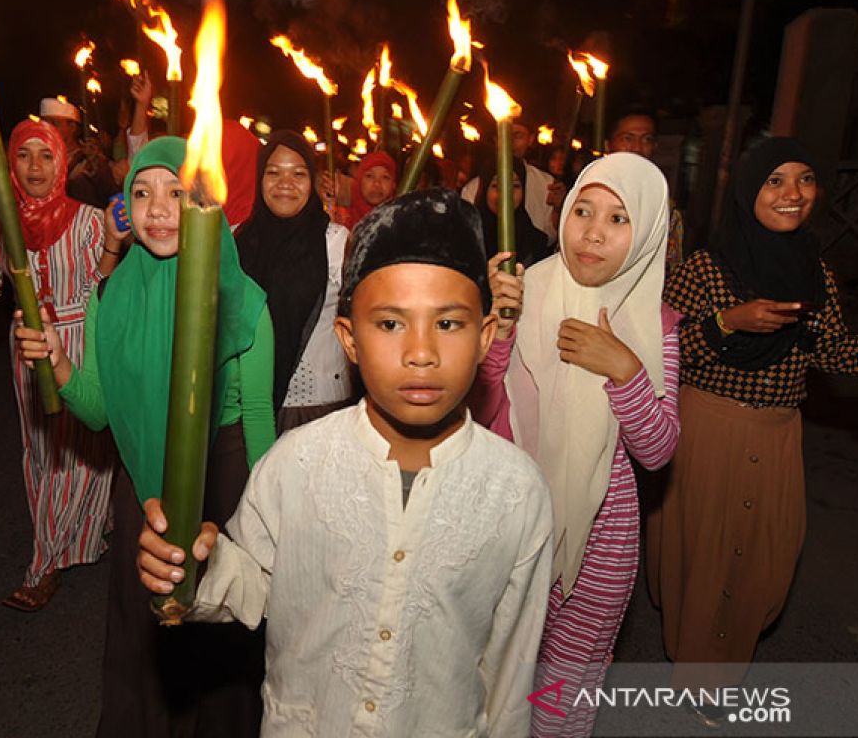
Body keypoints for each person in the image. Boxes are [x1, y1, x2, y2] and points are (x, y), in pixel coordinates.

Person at [139, 189, 555, 737]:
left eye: (448, 324)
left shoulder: (516, 492)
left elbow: (510, 667)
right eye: (389, 324)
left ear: (485, 338)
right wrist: (193, 566)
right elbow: (251, 585)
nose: (421, 352)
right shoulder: (298, 463)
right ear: (348, 339)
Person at [646, 137, 858, 723]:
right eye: (775, 181)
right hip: (710, 431)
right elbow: (662, 352)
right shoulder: (706, 267)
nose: (793, 193)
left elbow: (834, 352)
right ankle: (706, 680)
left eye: (804, 179)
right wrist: (731, 322)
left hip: (779, 435)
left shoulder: (817, 273)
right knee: (706, 559)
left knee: (765, 560)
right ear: (750, 189)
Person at [14, 136, 274, 738]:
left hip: (223, 488)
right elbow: (101, 411)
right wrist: (58, 364)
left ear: (201, 201)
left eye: (175, 193)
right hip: (141, 497)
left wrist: (263, 531)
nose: (158, 209)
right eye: (142, 192)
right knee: (141, 642)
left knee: (216, 647)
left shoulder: (244, 302)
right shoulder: (111, 293)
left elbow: (258, 421)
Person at [472, 152, 680, 736]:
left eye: (619, 219)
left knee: (564, 689)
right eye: (583, 210)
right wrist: (500, 327)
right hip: (509, 514)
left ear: (648, 232)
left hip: (602, 536)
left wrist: (625, 370)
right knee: (489, 672)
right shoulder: (523, 291)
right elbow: (482, 408)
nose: (592, 231)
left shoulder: (656, 321)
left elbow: (659, 450)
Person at [0, 117, 121, 612]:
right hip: (27, 344)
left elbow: (105, 288)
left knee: (81, 449)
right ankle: (83, 533)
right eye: (23, 155)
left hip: (81, 338)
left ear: (62, 162)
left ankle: (43, 564)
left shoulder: (91, 221)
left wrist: (113, 246)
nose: (35, 167)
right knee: (45, 452)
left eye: (46, 155)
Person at [236, 130, 354, 431]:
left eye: (298, 174)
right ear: (259, 179)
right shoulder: (236, 239)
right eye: (273, 173)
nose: (285, 184)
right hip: (244, 409)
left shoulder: (335, 243)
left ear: (312, 181)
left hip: (319, 410)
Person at [605, 106, 685, 271]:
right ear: (608, 145)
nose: (637, 148)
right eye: (628, 138)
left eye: (646, 139)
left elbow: (671, 263)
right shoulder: (590, 192)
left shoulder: (664, 205)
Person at [462, 120, 563, 241]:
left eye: (518, 136)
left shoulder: (546, 183)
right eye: (504, 135)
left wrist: (559, 209)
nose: (510, 142)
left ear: (530, 139)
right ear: (496, 140)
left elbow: (551, 236)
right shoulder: (473, 188)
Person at [471, 153, 554, 270]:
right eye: (496, 185)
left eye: (515, 186)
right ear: (484, 189)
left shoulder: (535, 242)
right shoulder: (468, 239)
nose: (506, 194)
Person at [39, 97, 118, 208]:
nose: (48, 128)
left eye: (54, 123)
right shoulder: (39, 161)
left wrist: (97, 168)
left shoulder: (89, 159)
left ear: (72, 127)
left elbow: (112, 194)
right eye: (45, 123)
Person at [342, 149, 396, 231]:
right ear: (359, 181)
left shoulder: (398, 223)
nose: (377, 184)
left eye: (385, 177)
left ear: (393, 184)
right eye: (369, 176)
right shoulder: (341, 222)